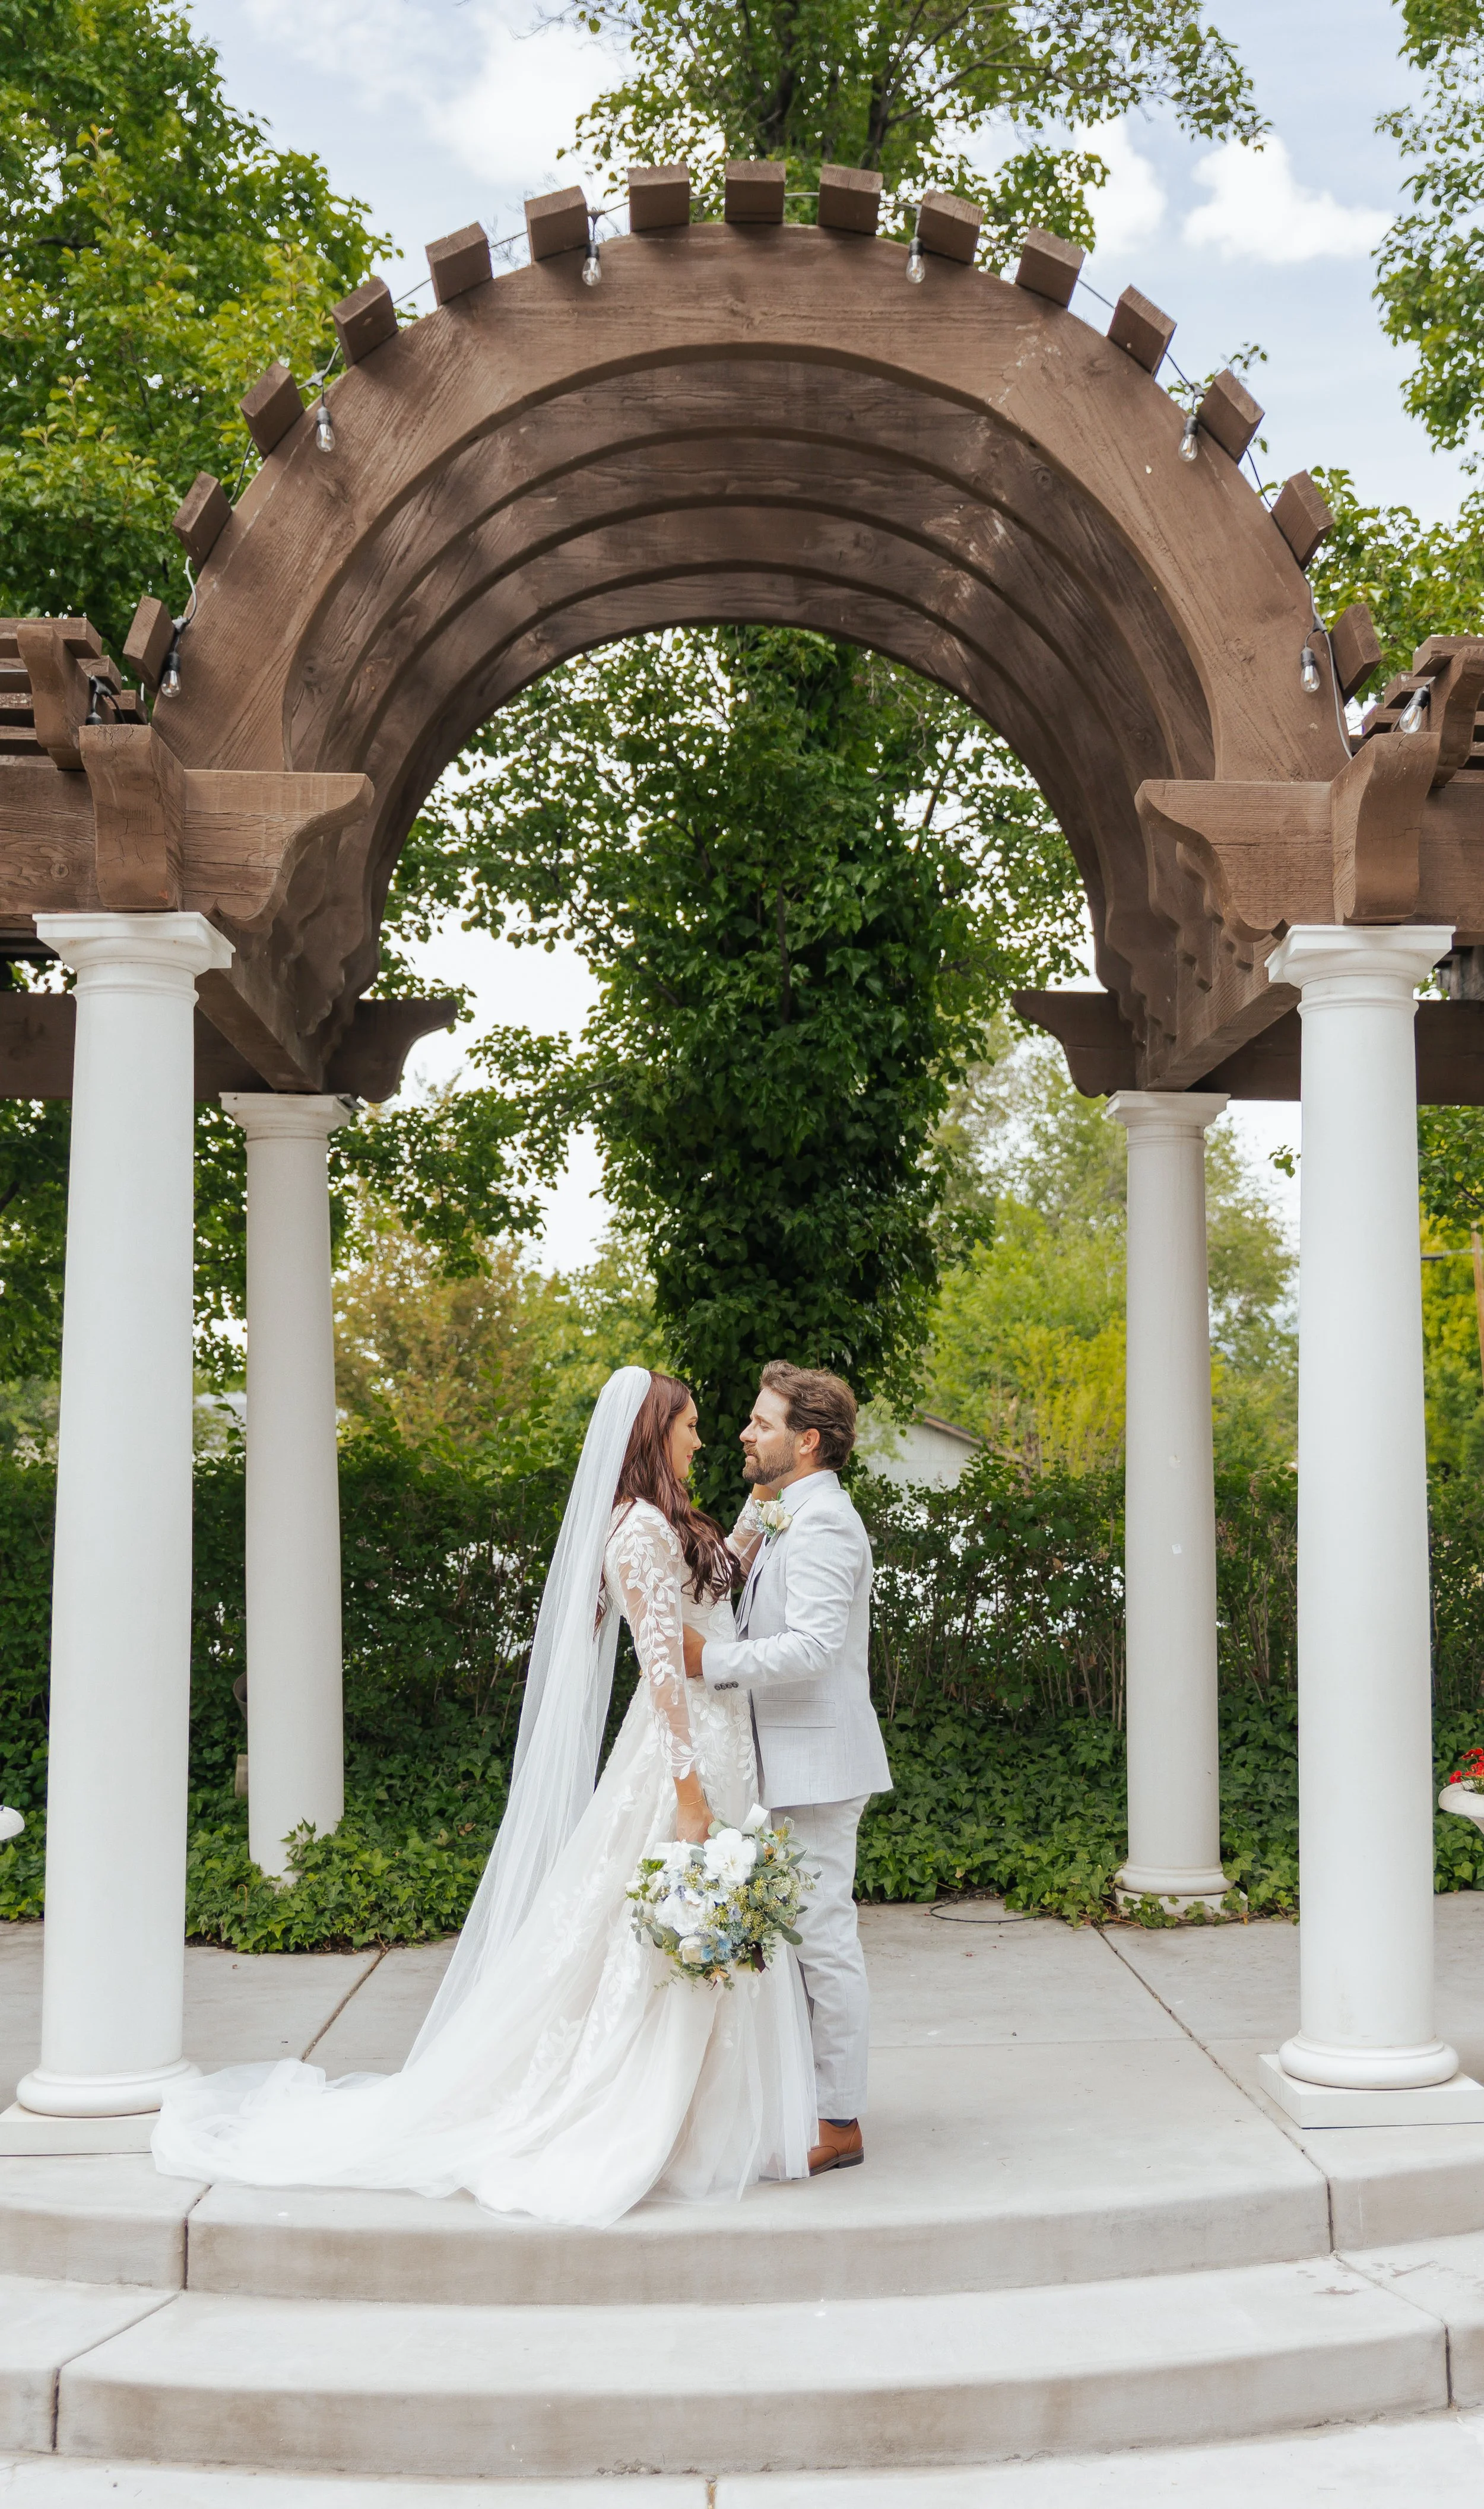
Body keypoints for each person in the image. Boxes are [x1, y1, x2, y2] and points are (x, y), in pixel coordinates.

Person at [151, 1368, 814, 2226]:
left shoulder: (670, 1521)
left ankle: (705, 2117)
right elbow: (661, 1676)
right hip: (679, 1758)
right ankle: (637, 2114)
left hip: (725, 1747)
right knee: (648, 1930)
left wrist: (768, 1514)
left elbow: (710, 1604)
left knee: (678, 1927)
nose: (700, 1437)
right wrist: (689, 1794)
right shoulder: (637, 1531)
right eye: (689, 1424)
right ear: (655, 1434)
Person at [683, 1362, 890, 2175]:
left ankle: (838, 2118)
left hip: (818, 1764)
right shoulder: (782, 1511)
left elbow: (812, 1648)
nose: (745, 1432)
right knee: (798, 1936)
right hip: (783, 1763)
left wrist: (711, 1661)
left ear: (807, 1441)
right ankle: (804, 2093)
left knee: (824, 1936)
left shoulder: (828, 1523)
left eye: (762, 1423)